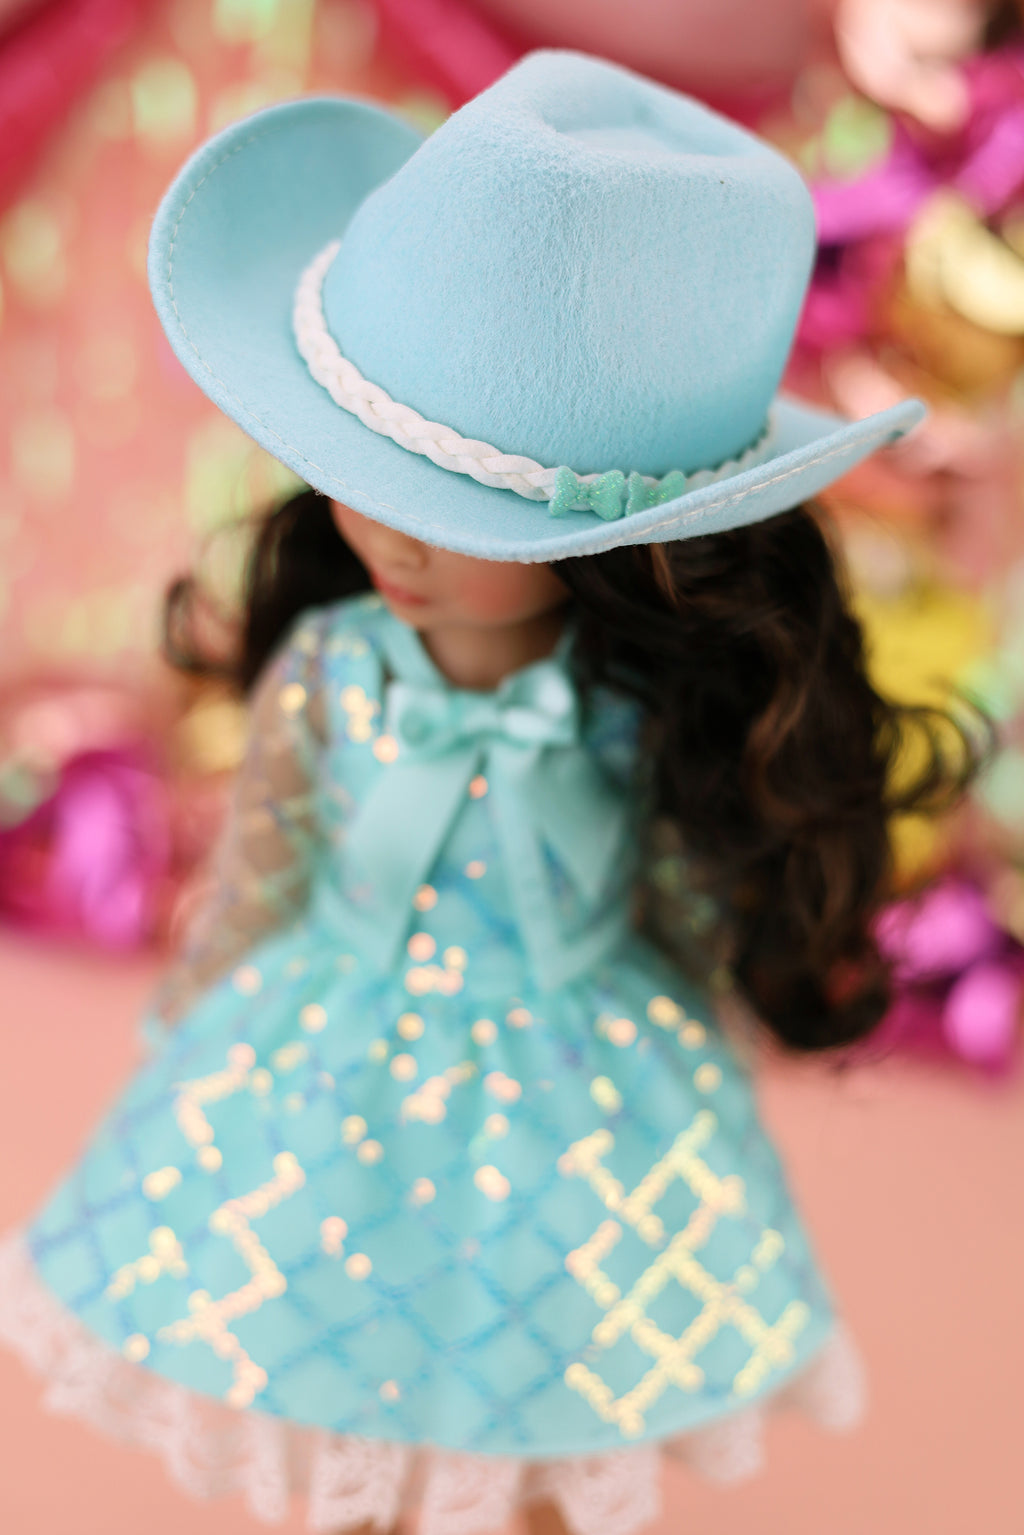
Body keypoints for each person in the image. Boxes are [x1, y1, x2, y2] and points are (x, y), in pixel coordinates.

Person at [0, 51, 980, 1535]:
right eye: (365, 479)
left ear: (628, 544)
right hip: (329, 1065)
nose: (393, 546)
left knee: (538, 1402)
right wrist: (200, 1015)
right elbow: (266, 861)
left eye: (458, 517)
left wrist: (690, 1026)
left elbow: (675, 891)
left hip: (576, 1094)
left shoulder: (630, 714)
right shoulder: (333, 672)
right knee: (331, 1356)